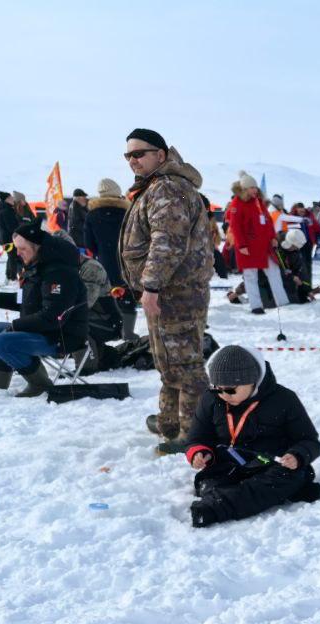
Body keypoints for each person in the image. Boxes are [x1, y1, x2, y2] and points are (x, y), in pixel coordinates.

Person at [118, 127, 214, 453]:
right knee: (168, 362)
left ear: (161, 155)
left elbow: (167, 241)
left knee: (184, 364)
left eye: (139, 153)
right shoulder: (158, 186)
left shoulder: (168, 188)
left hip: (176, 293)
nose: (133, 160)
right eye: (128, 155)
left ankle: (194, 431)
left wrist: (151, 286)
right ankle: (171, 421)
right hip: (169, 292)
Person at [183, 345, 320, 528]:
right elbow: (196, 438)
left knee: (288, 476)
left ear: (253, 381)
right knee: (207, 483)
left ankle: (216, 508)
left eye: (231, 390)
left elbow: (309, 441)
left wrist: (297, 456)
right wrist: (198, 453)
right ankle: (275, 495)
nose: (224, 395)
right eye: (218, 389)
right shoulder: (210, 400)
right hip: (228, 466)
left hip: (270, 466)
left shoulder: (284, 399)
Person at [0, 220, 87, 396]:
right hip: (43, 330)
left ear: (37, 246)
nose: (18, 253)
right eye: (17, 248)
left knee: (1, 341)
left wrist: (16, 326)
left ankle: (40, 384)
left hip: (61, 336)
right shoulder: (37, 266)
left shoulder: (58, 273)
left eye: (23, 249)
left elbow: (52, 317)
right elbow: (25, 301)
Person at [230, 172, 289, 316]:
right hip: (248, 247)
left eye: (255, 187)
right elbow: (235, 227)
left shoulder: (258, 202)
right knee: (251, 276)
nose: (255, 190)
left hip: (264, 245)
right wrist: (242, 245)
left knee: (274, 272)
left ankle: (283, 303)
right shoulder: (236, 204)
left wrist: (272, 237)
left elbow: (267, 221)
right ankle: (256, 306)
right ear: (244, 189)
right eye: (251, 188)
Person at [83, 178, 132, 331]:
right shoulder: (127, 213)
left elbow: (89, 244)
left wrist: (102, 251)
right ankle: (129, 331)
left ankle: (113, 328)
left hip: (104, 262)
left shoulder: (91, 215)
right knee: (127, 296)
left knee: (107, 295)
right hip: (127, 262)